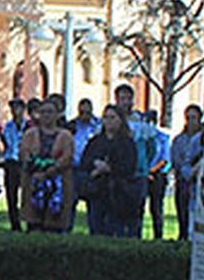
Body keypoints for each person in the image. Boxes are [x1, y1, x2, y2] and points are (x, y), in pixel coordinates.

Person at [80, 106, 140, 237]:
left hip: (118, 193)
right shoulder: (96, 141)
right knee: (96, 227)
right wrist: (95, 164)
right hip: (97, 191)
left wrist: (109, 168)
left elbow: (129, 166)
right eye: (106, 118)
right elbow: (85, 160)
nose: (108, 121)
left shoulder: (127, 143)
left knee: (115, 228)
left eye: (112, 118)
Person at [20, 96, 73, 233]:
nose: (46, 115)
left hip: (58, 182)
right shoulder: (30, 134)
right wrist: (35, 167)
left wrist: (52, 169)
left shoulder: (65, 135)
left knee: (54, 223)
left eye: (50, 112)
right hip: (34, 180)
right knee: (34, 222)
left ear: (57, 114)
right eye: (43, 112)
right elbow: (25, 153)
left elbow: (67, 156)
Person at [113, 84, 154, 238]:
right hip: (117, 174)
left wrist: (143, 165)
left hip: (138, 176)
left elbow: (152, 147)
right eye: (122, 99)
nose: (125, 102)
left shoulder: (142, 123)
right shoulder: (112, 120)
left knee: (136, 215)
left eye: (128, 98)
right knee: (116, 214)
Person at [169, 105, 204, 240]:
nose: (190, 122)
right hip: (183, 183)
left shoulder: (203, 140)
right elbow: (177, 161)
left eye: (194, 118)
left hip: (197, 185)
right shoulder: (179, 140)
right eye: (188, 118)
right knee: (182, 216)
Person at [67, 99, 101, 231]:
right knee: (70, 203)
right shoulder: (72, 126)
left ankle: (95, 232)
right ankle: (67, 231)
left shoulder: (98, 126)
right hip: (74, 168)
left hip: (91, 170)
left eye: (87, 112)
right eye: (82, 111)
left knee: (93, 206)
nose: (85, 114)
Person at [143, 110, 172, 240]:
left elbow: (164, 159)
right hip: (142, 175)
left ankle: (158, 235)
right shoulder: (142, 136)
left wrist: (151, 171)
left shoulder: (163, 137)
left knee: (156, 208)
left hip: (157, 176)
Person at [0, 98, 27, 232]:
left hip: (24, 162)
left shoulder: (29, 126)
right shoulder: (8, 126)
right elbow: (5, 143)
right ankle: (14, 224)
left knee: (26, 194)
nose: (15, 111)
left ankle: (28, 221)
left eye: (18, 108)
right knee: (11, 195)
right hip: (10, 162)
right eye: (13, 108)